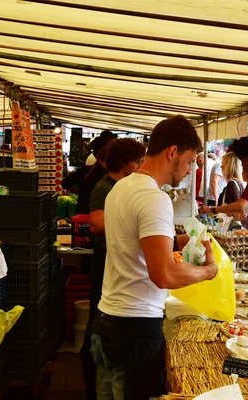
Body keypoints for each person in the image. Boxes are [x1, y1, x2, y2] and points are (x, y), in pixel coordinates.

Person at [91, 115, 218, 400]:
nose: (189, 170)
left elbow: (137, 248)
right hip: (135, 330)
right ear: (172, 152)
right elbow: (164, 275)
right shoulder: (154, 198)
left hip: (107, 322)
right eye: (189, 161)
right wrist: (209, 271)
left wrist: (181, 247)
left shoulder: (120, 187)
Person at [81, 139, 146, 400]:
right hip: (105, 266)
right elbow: (96, 224)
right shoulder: (104, 187)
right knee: (99, 332)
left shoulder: (121, 187)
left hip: (115, 265)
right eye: (137, 161)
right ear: (124, 162)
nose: (140, 166)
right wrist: (133, 227)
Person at [217, 152, 245, 218]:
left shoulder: (231, 184)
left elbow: (230, 212)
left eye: (222, 163)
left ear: (228, 166)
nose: (221, 166)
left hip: (228, 224)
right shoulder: (240, 182)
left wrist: (214, 210)